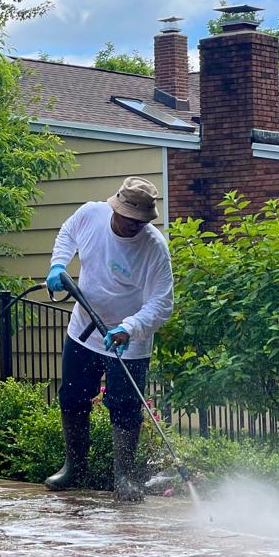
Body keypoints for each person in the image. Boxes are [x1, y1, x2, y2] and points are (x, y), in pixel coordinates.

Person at [43, 176, 174, 502]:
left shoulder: (154, 248)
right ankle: (74, 467)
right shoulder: (91, 215)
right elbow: (67, 233)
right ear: (115, 208)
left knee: (125, 407)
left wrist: (129, 328)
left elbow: (162, 303)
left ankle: (125, 477)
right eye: (128, 218)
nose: (133, 225)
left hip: (129, 340)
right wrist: (58, 264)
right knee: (72, 397)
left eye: (140, 221)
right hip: (85, 330)